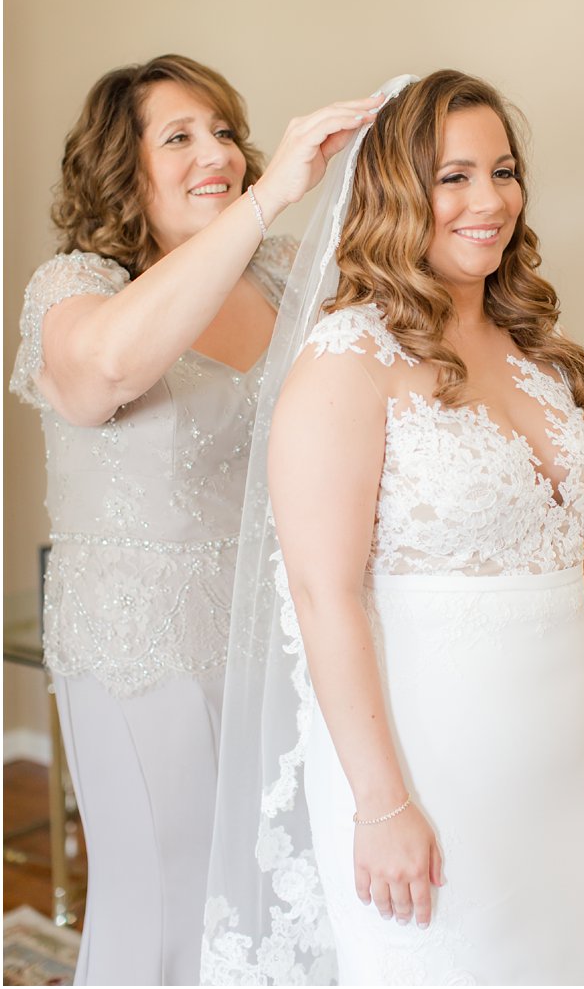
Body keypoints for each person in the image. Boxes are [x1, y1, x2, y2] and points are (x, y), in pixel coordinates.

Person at [202, 70, 584, 985]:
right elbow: (322, 596)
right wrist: (381, 803)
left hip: (573, 778)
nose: (489, 200)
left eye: (503, 169)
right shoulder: (344, 365)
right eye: (454, 176)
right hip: (427, 773)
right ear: (395, 193)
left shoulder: (541, 355)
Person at [9, 54, 382, 985]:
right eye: (178, 136)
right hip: (145, 658)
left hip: (278, 644)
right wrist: (269, 196)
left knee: (274, 899)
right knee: (167, 905)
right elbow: (106, 373)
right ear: (119, 167)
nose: (214, 150)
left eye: (223, 130)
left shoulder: (284, 275)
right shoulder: (73, 288)